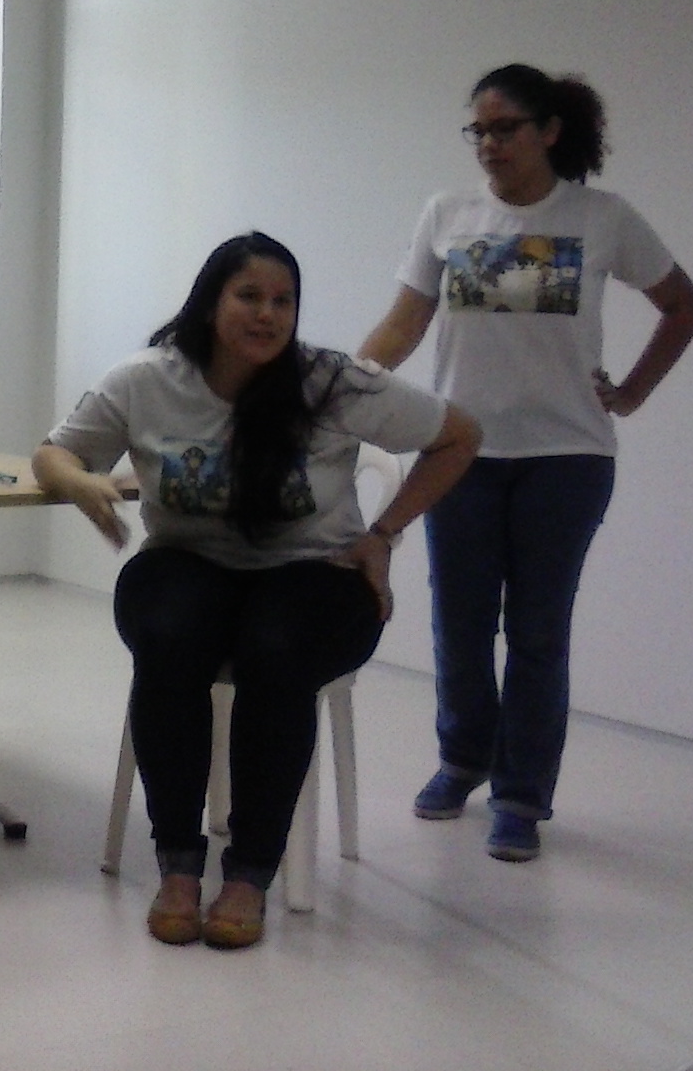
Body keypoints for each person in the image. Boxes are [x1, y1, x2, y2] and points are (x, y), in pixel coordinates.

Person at [36, 233, 479, 948]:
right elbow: (53, 451)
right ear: (211, 302)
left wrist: (384, 534)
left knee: (275, 649)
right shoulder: (148, 379)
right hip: (187, 561)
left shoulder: (331, 381)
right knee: (171, 637)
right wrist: (81, 481)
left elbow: (459, 435)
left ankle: (250, 872)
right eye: (249, 296)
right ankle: (179, 863)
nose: (268, 314)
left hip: (317, 574)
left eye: (283, 301)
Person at [360, 65, 693, 862]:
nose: (489, 144)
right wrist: (341, 385)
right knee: (460, 623)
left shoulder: (602, 217)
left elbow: (683, 305)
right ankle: (462, 760)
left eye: (505, 128)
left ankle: (520, 796)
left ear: (549, 131)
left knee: (538, 633)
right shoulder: (447, 214)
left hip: (567, 458)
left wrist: (633, 393)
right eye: (478, 130)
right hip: (460, 454)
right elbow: (404, 324)